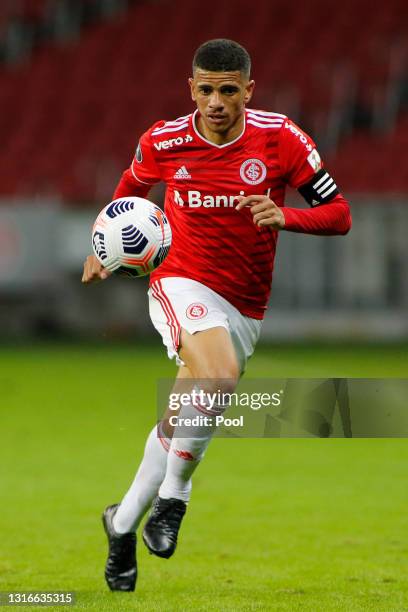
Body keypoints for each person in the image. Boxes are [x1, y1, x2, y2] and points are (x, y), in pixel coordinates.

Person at [82, 38, 351, 592]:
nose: (217, 101)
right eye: (206, 89)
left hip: (246, 302)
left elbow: (340, 213)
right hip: (179, 280)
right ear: (192, 88)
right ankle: (174, 501)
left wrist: (286, 217)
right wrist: (102, 243)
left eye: (229, 90)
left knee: (181, 417)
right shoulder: (164, 139)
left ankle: (122, 523)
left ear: (248, 91)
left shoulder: (281, 139)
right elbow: (130, 190)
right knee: (221, 376)